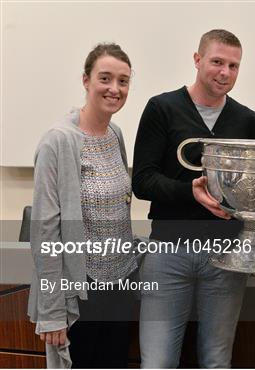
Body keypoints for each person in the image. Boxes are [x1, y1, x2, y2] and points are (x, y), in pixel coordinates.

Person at [132, 29, 255, 368]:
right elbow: (142, 181)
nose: (225, 73)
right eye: (217, 62)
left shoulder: (247, 120)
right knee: (157, 362)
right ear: (197, 59)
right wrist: (189, 192)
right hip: (167, 253)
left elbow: (252, 190)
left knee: (217, 360)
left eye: (234, 66)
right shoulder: (161, 108)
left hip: (225, 257)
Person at [27, 43, 138, 368]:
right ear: (86, 80)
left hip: (119, 284)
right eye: (105, 78)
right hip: (79, 290)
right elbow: (45, 232)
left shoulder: (115, 134)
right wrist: (52, 312)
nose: (114, 89)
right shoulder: (57, 141)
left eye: (123, 81)